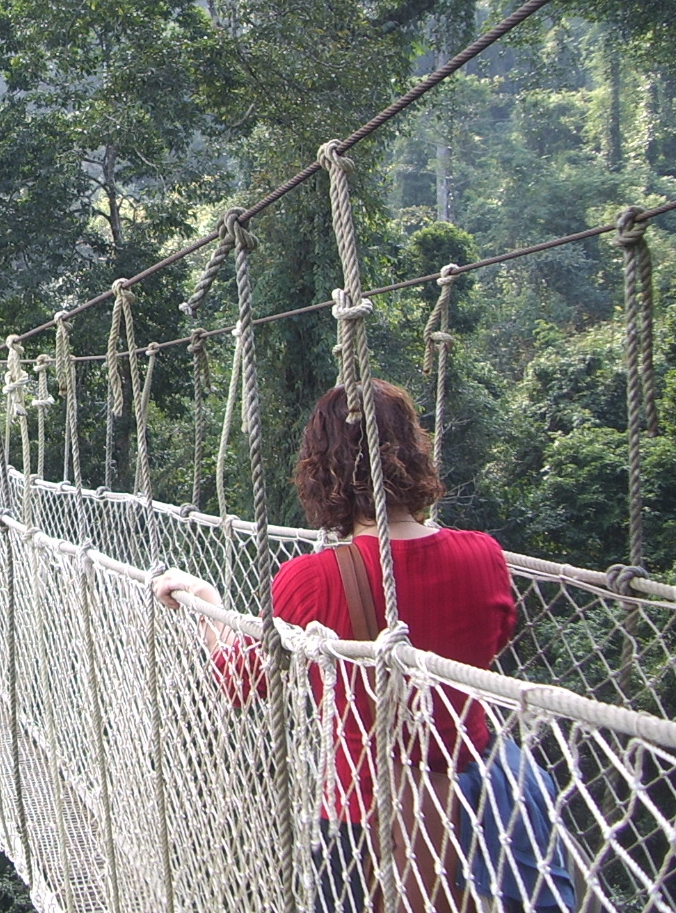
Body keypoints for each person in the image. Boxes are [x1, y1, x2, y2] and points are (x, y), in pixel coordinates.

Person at [155, 381, 516, 913]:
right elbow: (493, 639)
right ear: (415, 454)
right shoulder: (485, 556)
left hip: (362, 821)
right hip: (471, 811)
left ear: (322, 469)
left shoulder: (313, 579)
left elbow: (239, 680)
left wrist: (206, 602)